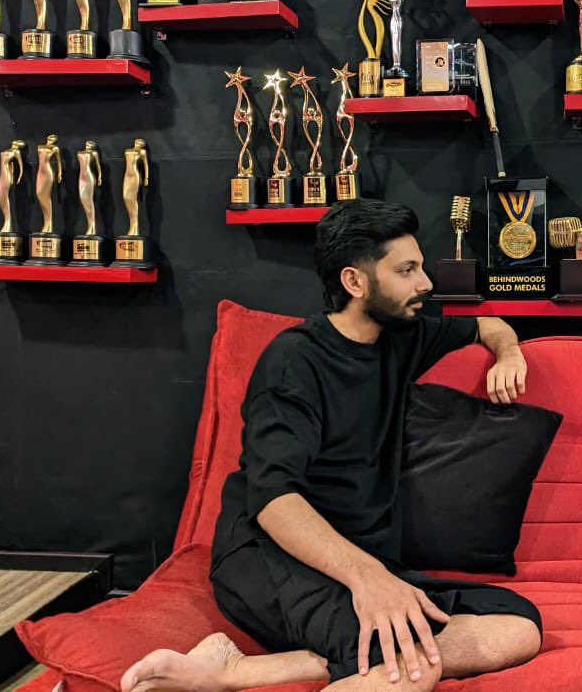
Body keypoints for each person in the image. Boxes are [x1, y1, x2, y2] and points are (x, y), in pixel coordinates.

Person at [121, 200, 542, 692]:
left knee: (518, 627)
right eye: (406, 270)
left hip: (357, 558)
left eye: (420, 267)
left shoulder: (401, 335)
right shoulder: (294, 363)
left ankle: (240, 671)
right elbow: (275, 501)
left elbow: (487, 325)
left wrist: (509, 354)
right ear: (355, 282)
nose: (426, 283)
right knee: (411, 666)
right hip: (270, 554)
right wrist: (368, 578)